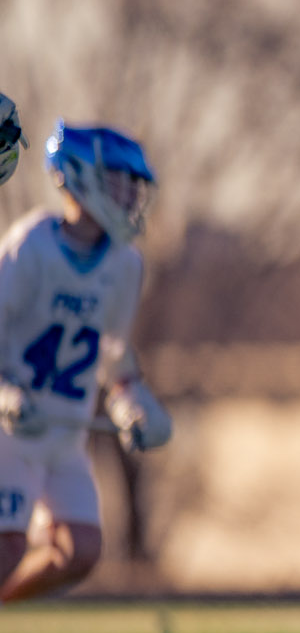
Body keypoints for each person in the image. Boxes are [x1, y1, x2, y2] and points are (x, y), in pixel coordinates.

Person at [0, 120, 173, 604]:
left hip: (66, 432)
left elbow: (113, 355)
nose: (130, 195)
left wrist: (131, 404)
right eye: (119, 180)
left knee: (80, 550)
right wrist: (6, 392)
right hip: (12, 431)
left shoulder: (125, 265)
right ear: (79, 176)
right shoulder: (31, 245)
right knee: (8, 544)